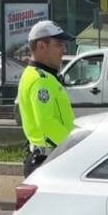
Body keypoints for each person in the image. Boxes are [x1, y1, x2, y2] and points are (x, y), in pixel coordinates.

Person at [17, 20, 76, 176]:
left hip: (49, 158)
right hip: (47, 161)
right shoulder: (39, 79)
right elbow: (47, 122)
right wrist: (74, 146)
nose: (64, 49)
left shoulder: (44, 76)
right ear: (42, 46)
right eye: (59, 44)